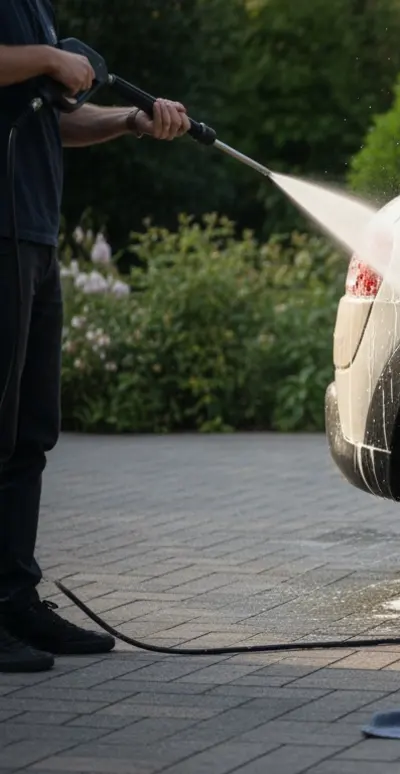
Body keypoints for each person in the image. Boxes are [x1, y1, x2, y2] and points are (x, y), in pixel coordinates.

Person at [1, 0, 191, 673]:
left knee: (30, 433)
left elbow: (55, 121)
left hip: (34, 236)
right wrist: (52, 58)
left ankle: (13, 601)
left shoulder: (34, 7)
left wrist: (131, 121)